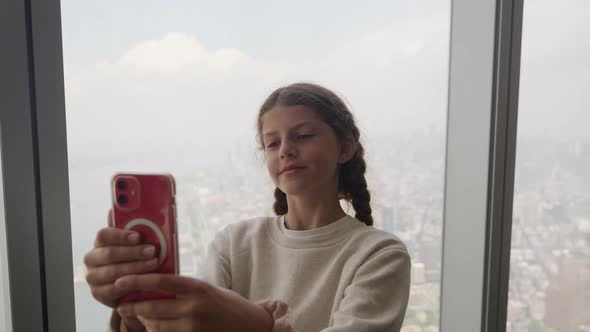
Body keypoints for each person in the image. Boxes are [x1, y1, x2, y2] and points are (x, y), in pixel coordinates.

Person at [84, 82, 411, 332]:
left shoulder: (379, 255)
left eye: (304, 135)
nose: (285, 150)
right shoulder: (234, 243)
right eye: (272, 142)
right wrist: (135, 306)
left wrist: (259, 324)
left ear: (346, 147)